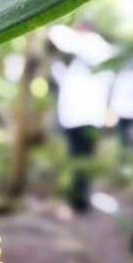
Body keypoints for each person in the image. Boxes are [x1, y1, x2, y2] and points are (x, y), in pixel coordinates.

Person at [49, 24, 114, 212]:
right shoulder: (82, 59)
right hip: (76, 117)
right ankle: (77, 199)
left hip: (87, 117)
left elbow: (59, 35)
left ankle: (80, 201)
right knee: (78, 157)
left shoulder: (94, 46)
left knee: (83, 159)